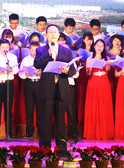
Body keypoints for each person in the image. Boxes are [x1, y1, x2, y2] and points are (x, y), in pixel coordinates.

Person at [34, 24, 77, 153]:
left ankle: (62, 148)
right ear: (46, 35)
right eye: (50, 32)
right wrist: (48, 54)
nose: (53, 34)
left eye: (55, 32)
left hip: (61, 88)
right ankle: (44, 148)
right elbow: (37, 64)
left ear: (58, 35)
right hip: (46, 89)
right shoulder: (41, 50)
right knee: (45, 119)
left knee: (60, 121)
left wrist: (67, 70)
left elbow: (73, 70)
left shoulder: (66, 51)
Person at [83, 39, 114, 140]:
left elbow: (108, 71)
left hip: (104, 82)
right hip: (93, 82)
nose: (100, 48)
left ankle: (104, 131)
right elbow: (87, 74)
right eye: (98, 45)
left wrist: (108, 65)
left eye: (102, 46)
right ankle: (92, 132)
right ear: (94, 46)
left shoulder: (106, 58)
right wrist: (89, 68)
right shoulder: (90, 58)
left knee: (103, 106)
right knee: (93, 105)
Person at [0, 38, 18, 140]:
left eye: (6, 47)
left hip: (8, 83)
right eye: (3, 47)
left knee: (8, 109)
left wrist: (11, 70)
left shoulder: (12, 57)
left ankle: (8, 133)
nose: (5, 49)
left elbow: (16, 70)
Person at [19, 40, 42, 138]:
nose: (34, 52)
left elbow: (47, 72)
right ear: (29, 50)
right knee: (29, 109)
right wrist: (25, 74)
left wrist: (41, 73)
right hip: (29, 84)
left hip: (39, 84)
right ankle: (29, 132)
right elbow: (20, 73)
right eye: (32, 50)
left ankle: (41, 131)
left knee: (40, 109)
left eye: (36, 50)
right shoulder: (26, 60)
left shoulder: (43, 59)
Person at [76, 32, 94, 134]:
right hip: (82, 73)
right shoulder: (80, 51)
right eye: (87, 39)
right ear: (83, 40)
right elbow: (77, 64)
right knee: (82, 96)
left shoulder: (95, 50)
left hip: (92, 74)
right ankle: (80, 122)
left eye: (91, 40)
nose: (89, 42)